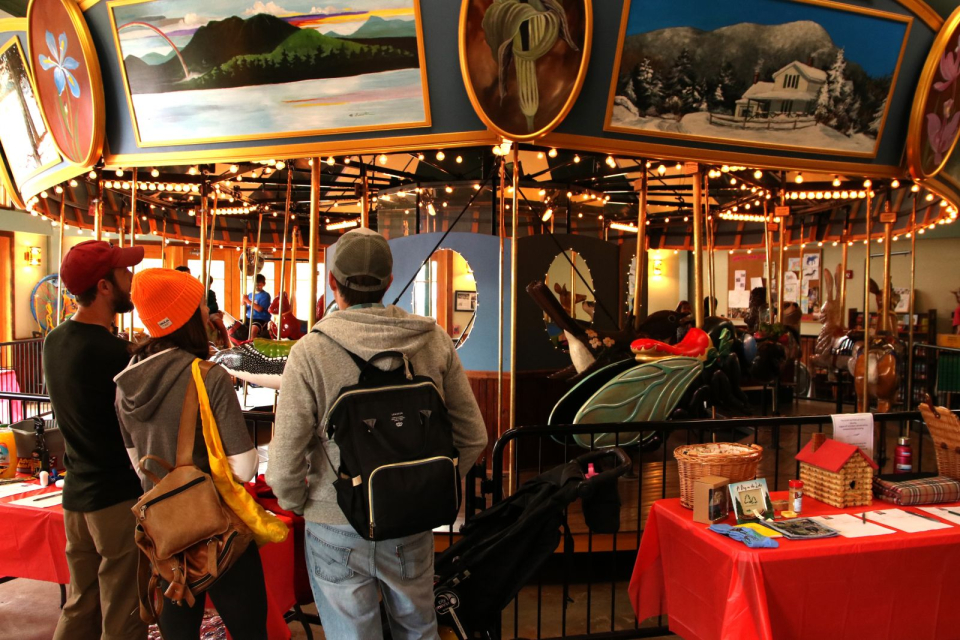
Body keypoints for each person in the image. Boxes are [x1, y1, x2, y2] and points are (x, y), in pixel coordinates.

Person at [267, 228, 488, 639]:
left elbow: (283, 465)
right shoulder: (432, 340)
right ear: (389, 281)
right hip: (411, 520)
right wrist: (422, 484)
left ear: (333, 281)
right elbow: (474, 436)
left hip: (335, 523)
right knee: (420, 631)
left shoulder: (310, 352)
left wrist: (301, 503)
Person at [114, 268, 266, 640]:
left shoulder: (124, 382)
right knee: (250, 632)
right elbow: (244, 467)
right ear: (184, 317)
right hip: (215, 528)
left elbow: (139, 466)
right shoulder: (207, 375)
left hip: (164, 536)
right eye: (198, 305)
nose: (205, 312)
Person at [43, 240, 147, 640]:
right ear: (104, 287)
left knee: (81, 602)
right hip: (114, 496)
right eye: (124, 272)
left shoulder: (55, 340)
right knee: (124, 610)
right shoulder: (115, 354)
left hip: (77, 492)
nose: (131, 278)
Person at [242, 274, 271, 339]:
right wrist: (243, 301)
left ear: (264, 284)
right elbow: (245, 308)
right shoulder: (250, 295)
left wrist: (247, 300)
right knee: (237, 327)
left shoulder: (265, 295)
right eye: (255, 285)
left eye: (259, 285)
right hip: (249, 318)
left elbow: (259, 309)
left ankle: (252, 344)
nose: (257, 286)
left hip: (260, 318)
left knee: (253, 330)